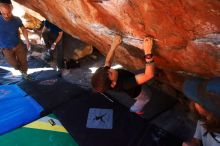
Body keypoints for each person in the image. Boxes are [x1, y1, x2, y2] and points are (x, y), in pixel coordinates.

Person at [91, 35, 155, 114]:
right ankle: (135, 110)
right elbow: (149, 75)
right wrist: (148, 52)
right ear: (113, 84)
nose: (110, 68)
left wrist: (114, 46)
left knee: (139, 76)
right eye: (110, 73)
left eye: (106, 69)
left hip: (128, 76)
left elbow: (107, 62)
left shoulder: (104, 73)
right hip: (138, 92)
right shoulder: (125, 83)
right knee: (146, 97)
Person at [182, 77, 220, 146]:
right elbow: (197, 140)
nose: (192, 102)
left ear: (211, 115)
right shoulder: (204, 119)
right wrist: (193, 143)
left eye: (198, 101)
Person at [0, 4, 32, 80]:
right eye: (4, 13)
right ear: (0, 11)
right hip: (6, 48)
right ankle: (20, 69)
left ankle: (25, 73)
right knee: (14, 64)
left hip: (18, 45)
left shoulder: (17, 19)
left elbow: (23, 29)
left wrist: (27, 41)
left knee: (23, 61)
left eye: (8, 13)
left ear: (11, 10)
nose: (7, 15)